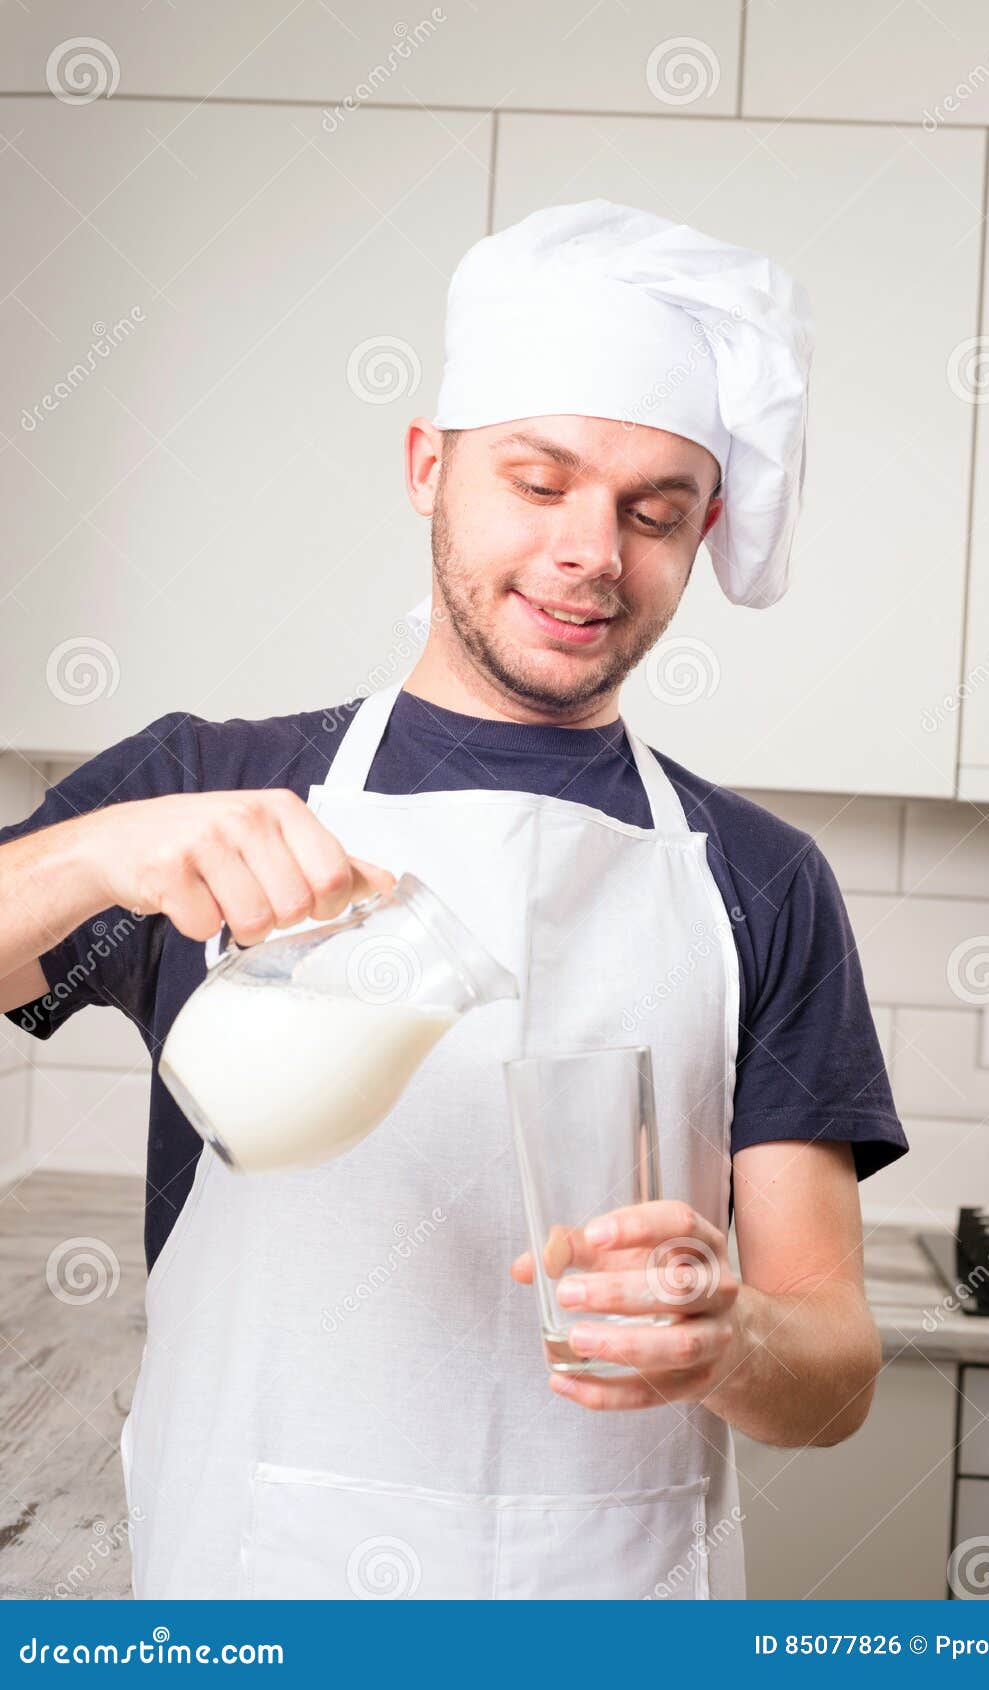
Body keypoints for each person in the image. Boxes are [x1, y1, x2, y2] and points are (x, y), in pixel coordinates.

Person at [0, 200, 907, 1600]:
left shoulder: (760, 878)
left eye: (652, 512)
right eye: (538, 484)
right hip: (263, 1588)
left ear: (701, 531)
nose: (591, 552)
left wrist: (734, 1342)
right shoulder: (211, 790)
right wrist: (97, 855)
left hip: (613, 1604)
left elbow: (832, 1364)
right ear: (429, 466)